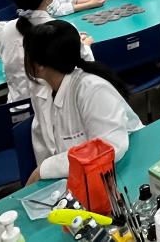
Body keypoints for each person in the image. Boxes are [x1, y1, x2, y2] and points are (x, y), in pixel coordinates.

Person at [24, 20, 142, 184]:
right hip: (87, 177)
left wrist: (45, 169)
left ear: (39, 65)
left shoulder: (92, 89)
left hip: (127, 170)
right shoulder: (45, 92)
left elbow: (109, 147)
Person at [0, 0, 95, 103]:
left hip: (16, 108)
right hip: (52, 108)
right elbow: (88, 67)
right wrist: (85, 45)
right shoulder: (63, 29)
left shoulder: (6, 29)